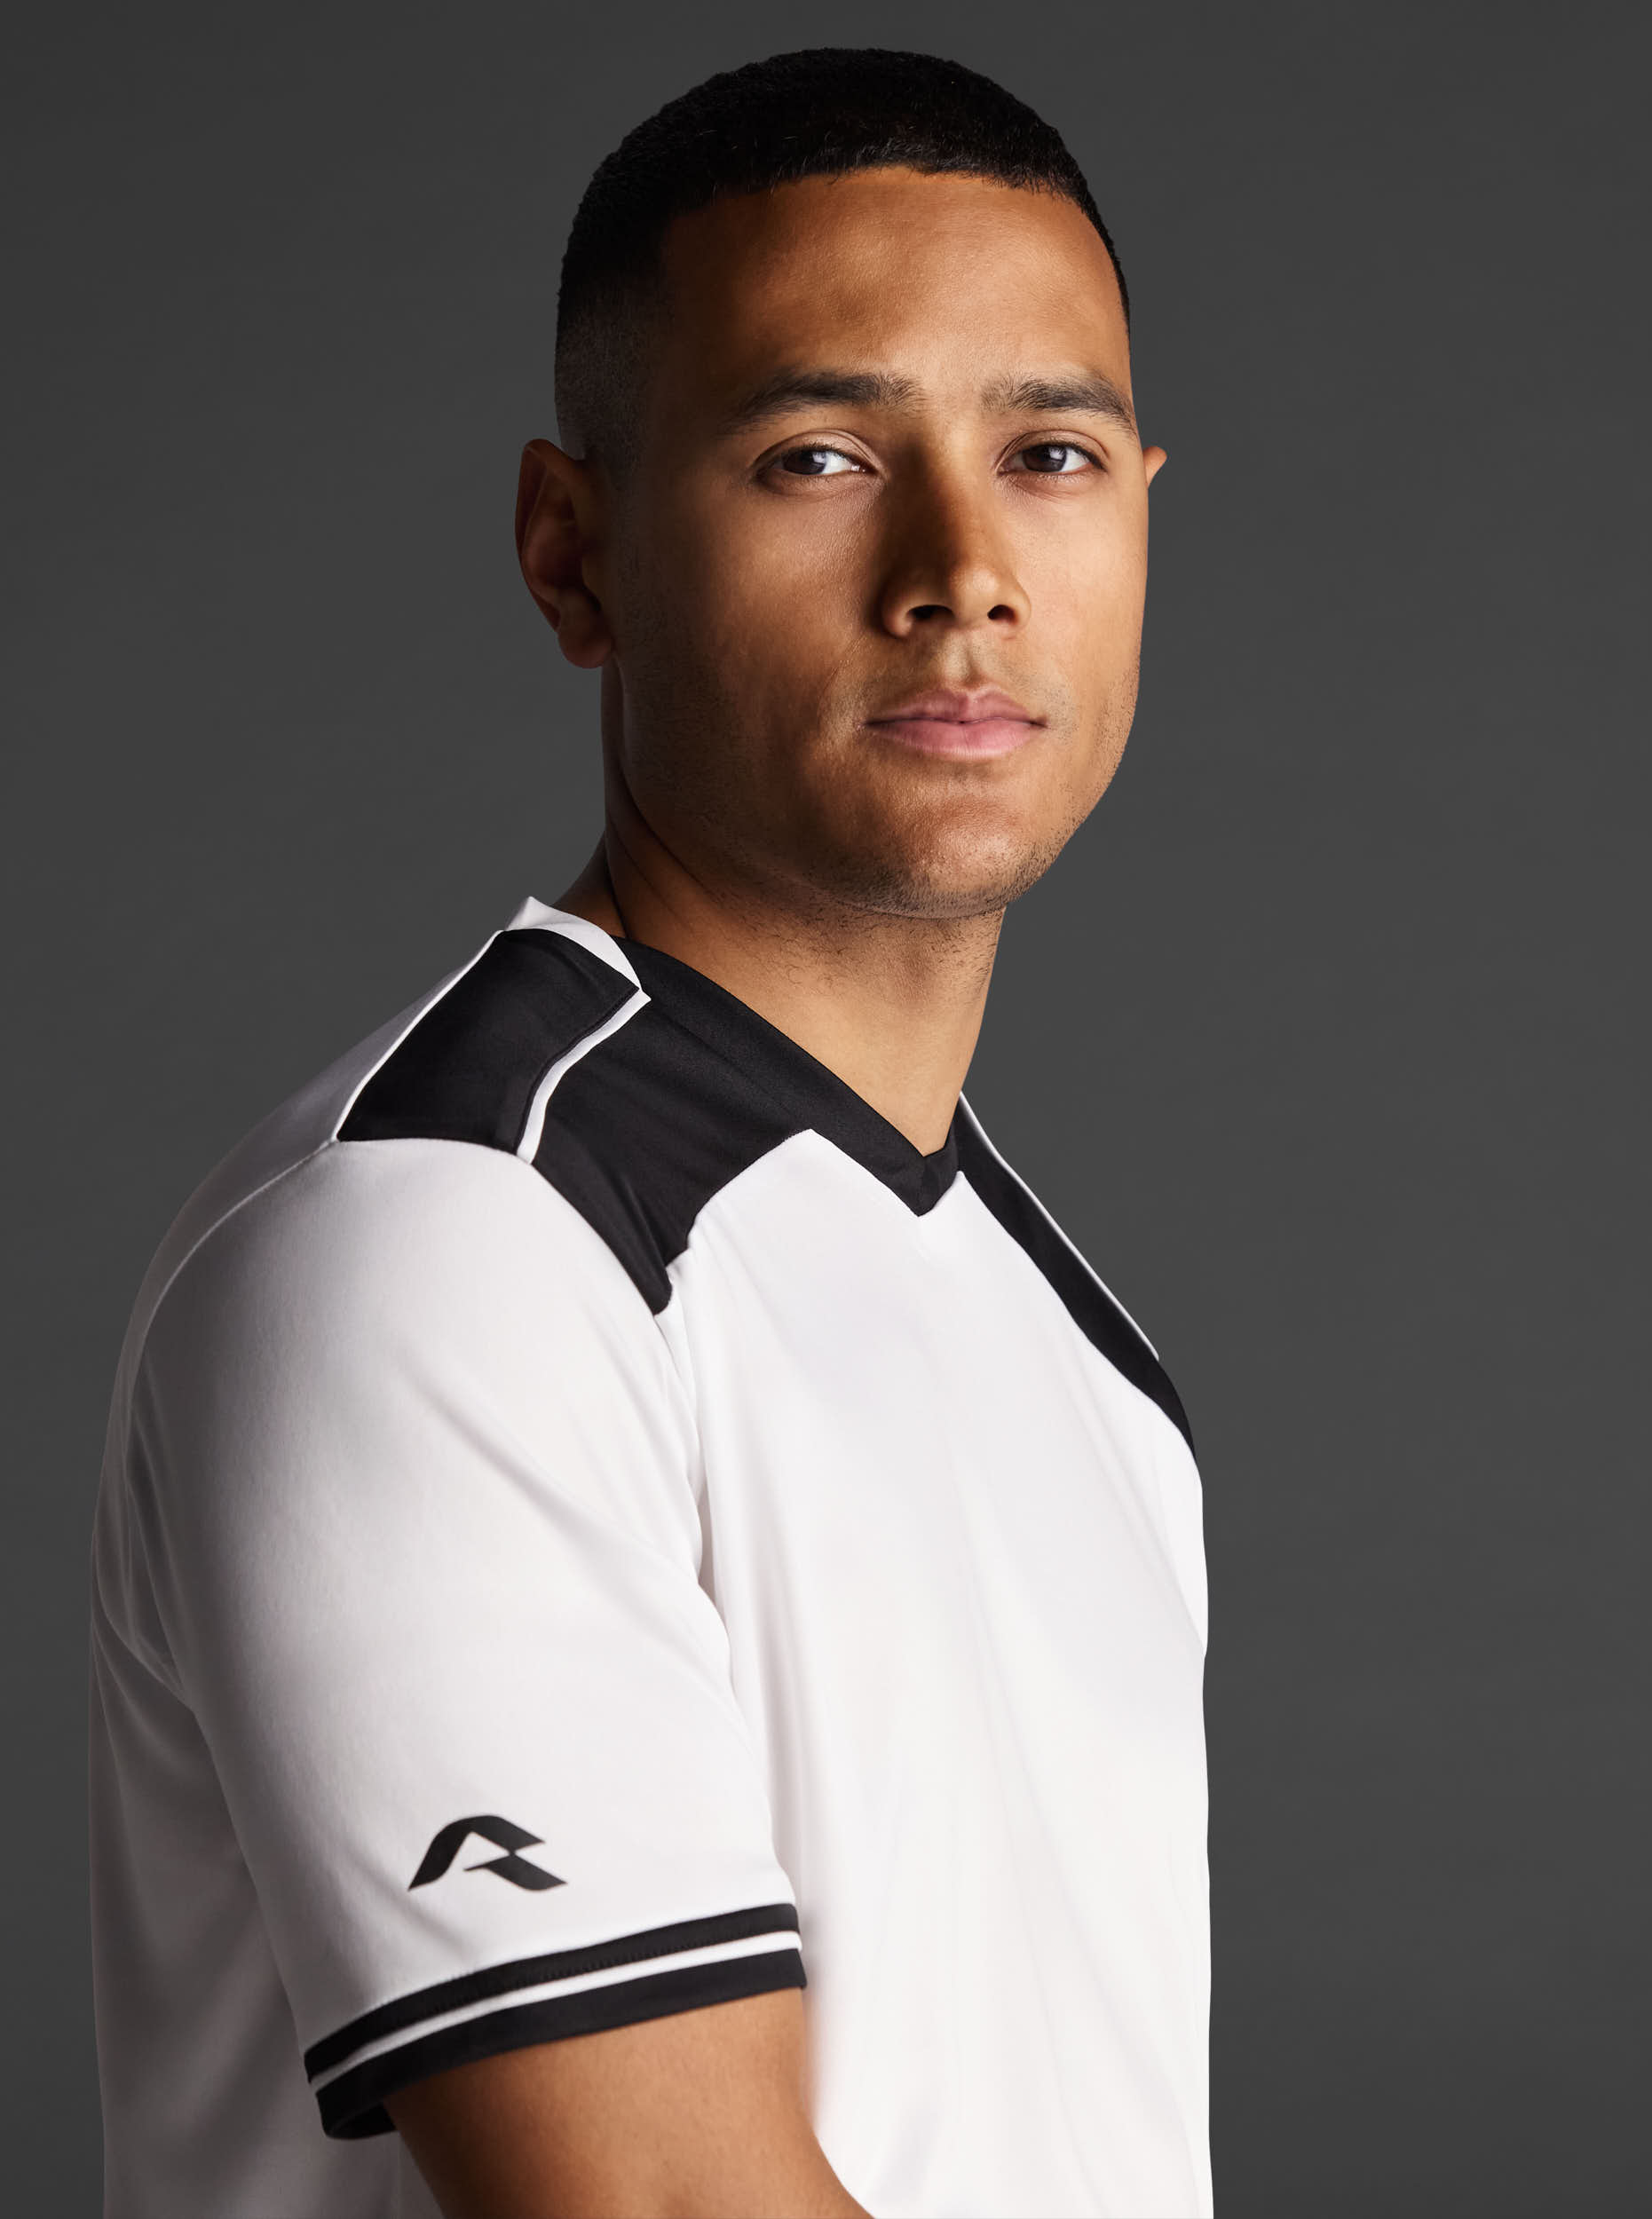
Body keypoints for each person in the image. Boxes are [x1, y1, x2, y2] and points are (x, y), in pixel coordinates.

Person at [89, 46, 1208, 2219]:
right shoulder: (447, 1246)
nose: (963, 570)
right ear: (572, 550)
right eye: (817, 454)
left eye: (1050, 453)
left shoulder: (1071, 1340)